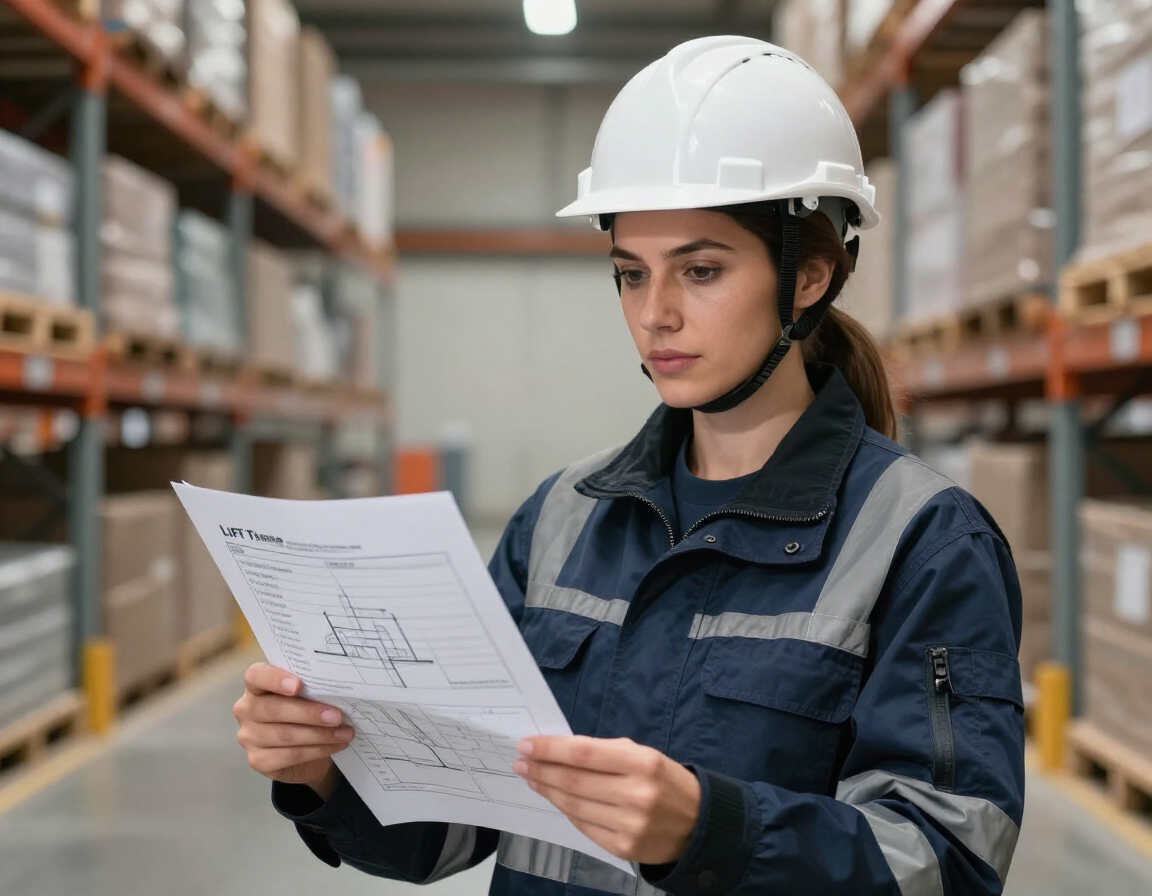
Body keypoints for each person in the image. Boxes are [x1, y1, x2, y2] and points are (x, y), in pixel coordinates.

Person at [233, 36, 1026, 895]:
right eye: (629, 274)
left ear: (810, 278)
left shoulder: (923, 540)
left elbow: (950, 862)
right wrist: (322, 772)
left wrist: (711, 829)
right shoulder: (562, 519)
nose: (656, 315)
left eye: (702, 270)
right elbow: (455, 825)